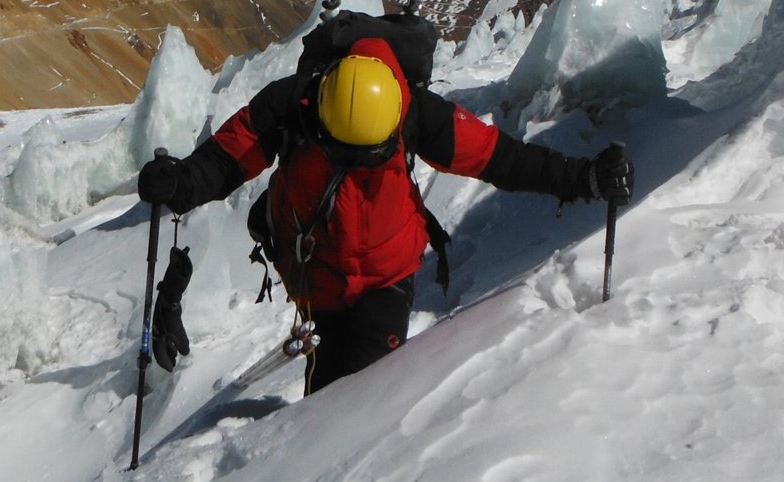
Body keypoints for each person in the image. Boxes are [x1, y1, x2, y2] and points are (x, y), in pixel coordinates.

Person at [138, 32, 634, 395]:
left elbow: (501, 158)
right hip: (317, 278)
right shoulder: (293, 104)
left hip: (384, 278)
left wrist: (585, 178)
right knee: (328, 383)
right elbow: (227, 158)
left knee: (366, 395)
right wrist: (180, 184)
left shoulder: (416, 111)